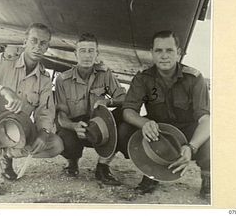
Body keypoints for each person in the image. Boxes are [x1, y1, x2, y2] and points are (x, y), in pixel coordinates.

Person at [118, 30, 210, 200]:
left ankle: (208, 176)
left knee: (211, 138)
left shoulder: (194, 78)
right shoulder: (143, 78)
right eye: (159, 51)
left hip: (188, 133)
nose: (164, 56)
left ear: (179, 53)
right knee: (124, 130)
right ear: (152, 53)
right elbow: (128, 111)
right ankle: (151, 171)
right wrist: (144, 122)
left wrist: (191, 147)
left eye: (169, 50)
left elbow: (205, 120)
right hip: (158, 132)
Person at [0, 23, 64, 194]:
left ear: (47, 47)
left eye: (43, 43)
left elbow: (45, 111)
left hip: (15, 133)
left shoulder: (44, 79)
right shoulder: (1, 61)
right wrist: (2, 90)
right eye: (34, 40)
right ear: (25, 41)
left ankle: (6, 155)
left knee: (55, 145)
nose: (37, 47)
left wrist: (44, 133)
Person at [55, 33, 126, 185]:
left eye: (91, 51)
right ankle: (72, 161)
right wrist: (73, 126)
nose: (87, 55)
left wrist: (108, 101)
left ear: (97, 54)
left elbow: (124, 98)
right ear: (75, 54)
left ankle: (103, 167)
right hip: (76, 128)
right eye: (82, 51)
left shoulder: (105, 74)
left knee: (123, 115)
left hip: (99, 126)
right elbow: (61, 115)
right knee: (62, 133)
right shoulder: (62, 79)